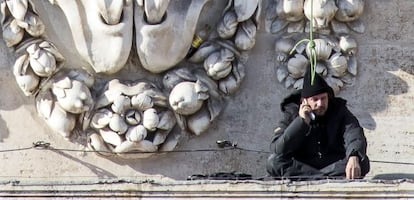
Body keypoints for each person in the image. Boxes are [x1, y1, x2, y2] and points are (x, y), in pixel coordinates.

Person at [266, 69, 370, 180]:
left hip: (333, 166)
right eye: (315, 99)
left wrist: (354, 155)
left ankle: (320, 178)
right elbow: (278, 149)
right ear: (304, 101)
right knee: (273, 162)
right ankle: (323, 179)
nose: (320, 104)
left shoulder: (339, 110)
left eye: (323, 98)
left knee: (362, 161)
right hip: (302, 168)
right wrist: (301, 122)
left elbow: (354, 134)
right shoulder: (291, 113)